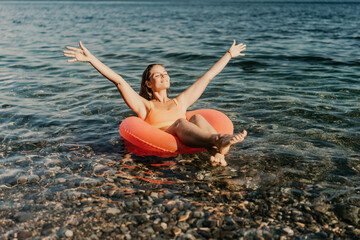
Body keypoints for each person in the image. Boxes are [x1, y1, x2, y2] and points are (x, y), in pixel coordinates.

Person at [63, 41, 247, 166]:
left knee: (197, 116)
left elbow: (207, 77)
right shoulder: (145, 106)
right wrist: (91, 59)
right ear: (148, 84)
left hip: (190, 137)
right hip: (165, 141)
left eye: (165, 72)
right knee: (181, 122)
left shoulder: (180, 102)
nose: (164, 76)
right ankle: (218, 140)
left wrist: (229, 54)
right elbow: (119, 81)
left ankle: (218, 152)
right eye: (157, 75)